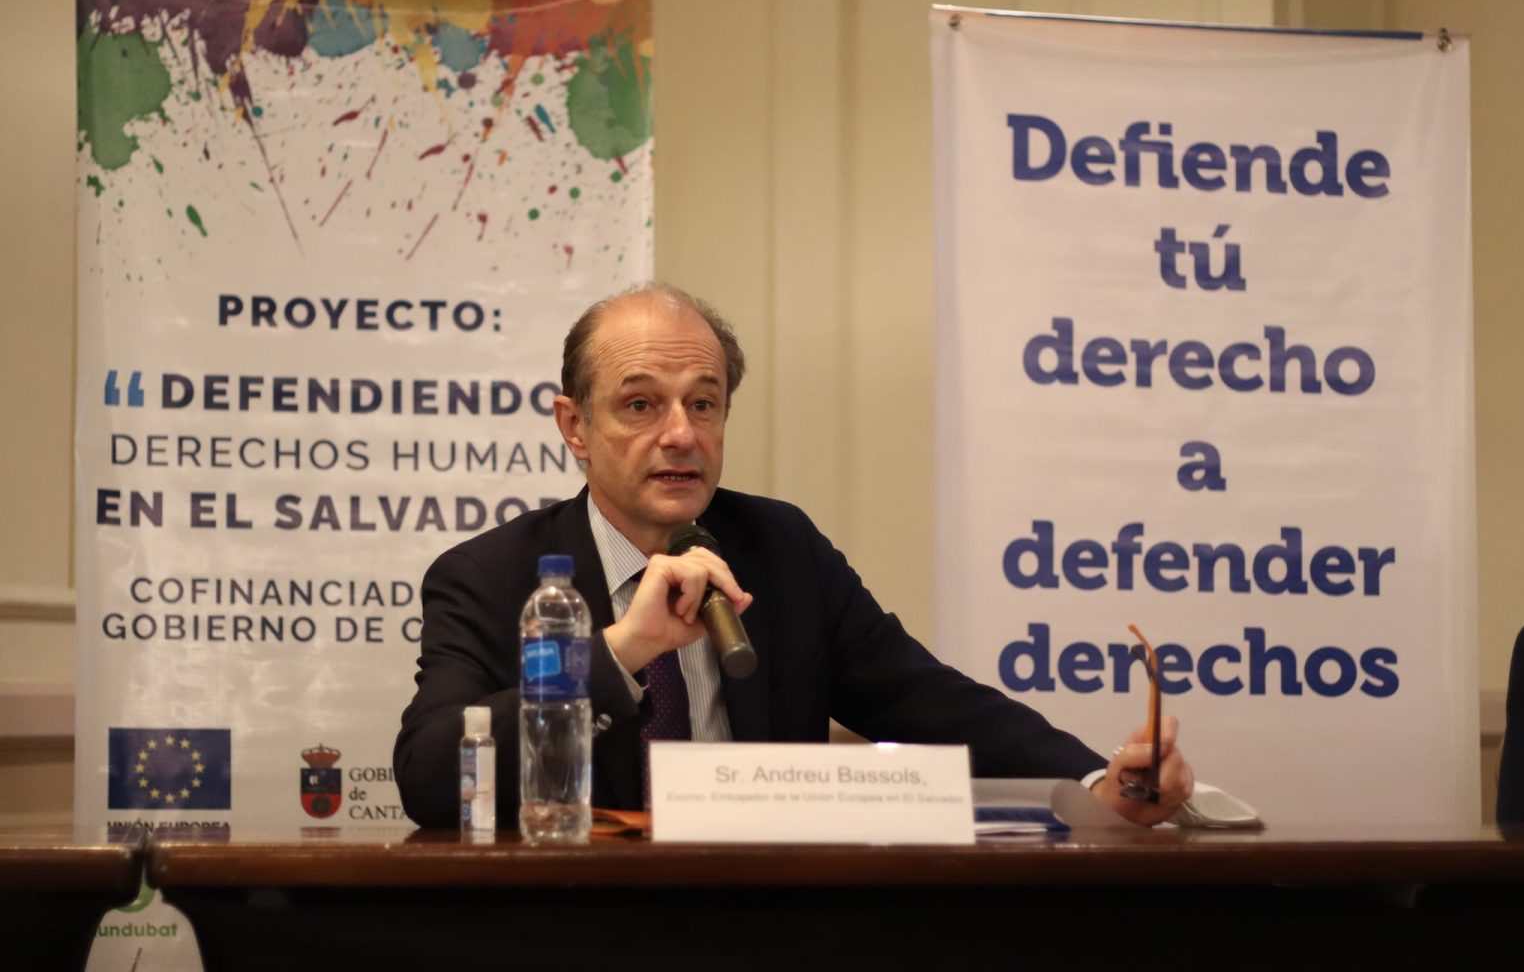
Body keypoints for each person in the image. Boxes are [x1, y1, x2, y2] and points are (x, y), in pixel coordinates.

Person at [394, 283, 1193, 828]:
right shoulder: (490, 578)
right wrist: (621, 652)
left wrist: (1098, 782)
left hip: (768, 916)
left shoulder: (780, 548)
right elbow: (430, 779)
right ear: (575, 426)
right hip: (580, 925)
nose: (681, 434)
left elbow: (926, 700)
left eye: (703, 403)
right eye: (641, 404)